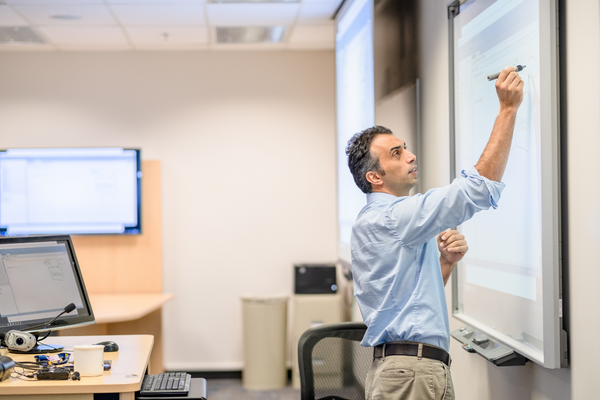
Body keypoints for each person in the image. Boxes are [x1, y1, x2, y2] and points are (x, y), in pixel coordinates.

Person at [345, 66, 524, 400]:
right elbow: (476, 191)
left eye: (405, 147)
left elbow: (403, 299)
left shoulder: (372, 220)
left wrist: (445, 263)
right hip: (411, 374)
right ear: (375, 177)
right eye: (396, 154)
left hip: (404, 372)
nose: (411, 155)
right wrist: (507, 109)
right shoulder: (393, 216)